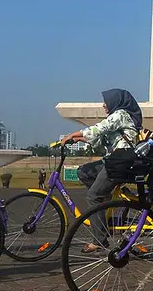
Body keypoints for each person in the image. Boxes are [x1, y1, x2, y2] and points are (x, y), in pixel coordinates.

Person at [58, 89, 142, 252]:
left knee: (93, 197)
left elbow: (101, 128)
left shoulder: (121, 114)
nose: (104, 105)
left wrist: (73, 133)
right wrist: (79, 138)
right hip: (113, 159)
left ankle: (99, 239)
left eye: (107, 101)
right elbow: (101, 141)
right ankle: (104, 202)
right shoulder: (117, 117)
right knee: (84, 172)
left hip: (120, 161)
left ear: (116, 102)